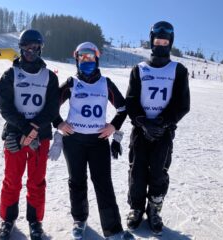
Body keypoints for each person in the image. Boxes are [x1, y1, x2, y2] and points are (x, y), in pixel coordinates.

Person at [49, 42, 134, 240]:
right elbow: (51, 106)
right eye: (82, 57)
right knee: (77, 181)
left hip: (98, 142)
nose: (86, 61)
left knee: (103, 183)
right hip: (74, 141)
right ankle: (79, 220)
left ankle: (113, 230)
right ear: (77, 59)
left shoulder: (106, 83)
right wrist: (59, 123)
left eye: (90, 57)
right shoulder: (71, 82)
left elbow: (122, 108)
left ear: (97, 58)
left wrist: (113, 126)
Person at [125, 21, 190, 235]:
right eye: (157, 41)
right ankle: (136, 208)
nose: (161, 45)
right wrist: (143, 122)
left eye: (165, 41)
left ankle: (154, 209)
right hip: (141, 131)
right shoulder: (139, 69)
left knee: (158, 172)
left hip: (163, 132)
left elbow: (182, 104)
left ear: (170, 43)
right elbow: (132, 100)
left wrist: (163, 122)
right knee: (137, 169)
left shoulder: (178, 70)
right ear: (151, 41)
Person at [0, 29, 59, 240]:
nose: (31, 51)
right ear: (21, 48)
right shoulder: (10, 74)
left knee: (36, 181)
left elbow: (51, 110)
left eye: (35, 47)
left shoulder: (49, 77)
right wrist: (24, 129)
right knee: (12, 180)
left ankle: (35, 221)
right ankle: (8, 219)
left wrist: (34, 131)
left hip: (40, 136)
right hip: (16, 134)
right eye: (27, 47)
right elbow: (5, 108)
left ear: (40, 48)